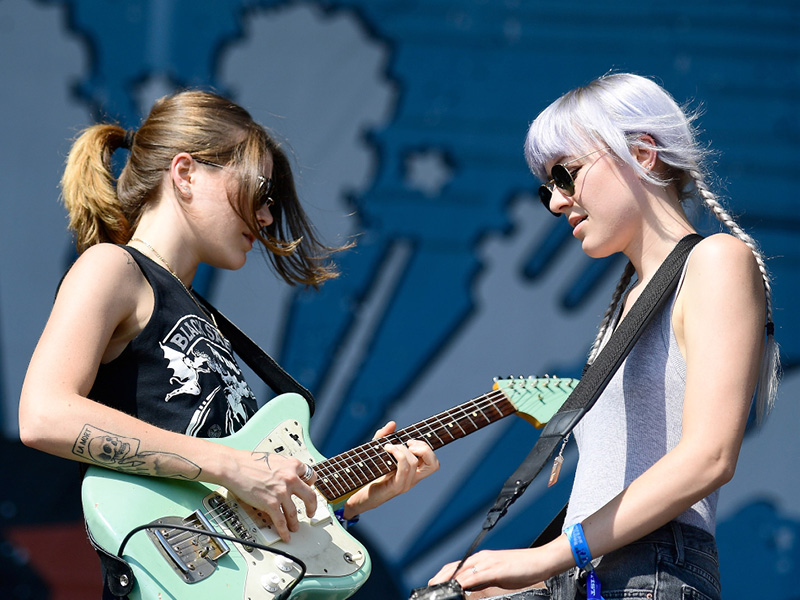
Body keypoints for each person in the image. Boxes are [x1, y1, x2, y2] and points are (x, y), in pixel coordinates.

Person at [18, 90, 439, 596]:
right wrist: (231, 465)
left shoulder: (203, 316)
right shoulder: (113, 268)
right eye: (261, 191)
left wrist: (343, 501)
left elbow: (237, 514)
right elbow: (43, 415)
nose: (266, 217)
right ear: (186, 173)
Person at [428, 73, 780, 599]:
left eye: (566, 176)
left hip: (650, 570)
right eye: (546, 186)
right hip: (599, 573)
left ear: (642, 154)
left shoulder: (716, 260)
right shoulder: (626, 303)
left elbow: (710, 455)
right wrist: (517, 580)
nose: (554, 202)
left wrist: (547, 557)